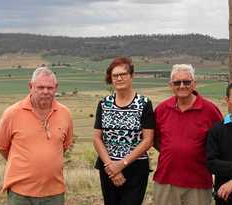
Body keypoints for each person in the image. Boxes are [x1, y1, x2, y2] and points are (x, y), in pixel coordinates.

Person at [0, 66, 73, 205]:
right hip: (20, 194)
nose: (45, 91)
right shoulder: (12, 113)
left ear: (56, 87)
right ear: (30, 86)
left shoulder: (65, 113)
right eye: (40, 87)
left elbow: (64, 146)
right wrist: (26, 165)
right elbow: (2, 147)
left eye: (50, 88)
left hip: (54, 193)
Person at [153, 64, 223, 205]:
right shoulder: (162, 109)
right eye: (177, 82)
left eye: (186, 82)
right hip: (166, 180)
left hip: (199, 181)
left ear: (194, 84)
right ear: (171, 85)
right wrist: (174, 151)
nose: (182, 86)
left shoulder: (209, 110)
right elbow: (154, 138)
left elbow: (221, 141)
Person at [93, 57, 155, 205]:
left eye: (123, 74)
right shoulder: (104, 104)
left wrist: (122, 163)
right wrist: (111, 166)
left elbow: (148, 140)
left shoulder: (144, 104)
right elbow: (96, 138)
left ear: (132, 76)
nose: (119, 78)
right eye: (115, 75)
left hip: (136, 168)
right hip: (108, 169)